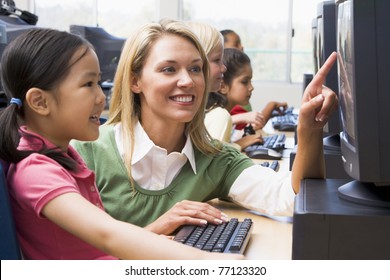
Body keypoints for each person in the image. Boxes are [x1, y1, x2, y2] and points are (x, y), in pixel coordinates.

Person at [72, 20, 338, 237]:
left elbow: (293, 198)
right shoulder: (88, 152)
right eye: (168, 69)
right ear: (134, 81)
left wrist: (309, 129)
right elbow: (70, 259)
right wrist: (157, 229)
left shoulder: (215, 160)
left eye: (196, 69)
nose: (187, 81)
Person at [0, 28, 242, 260]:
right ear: (40, 102)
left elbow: (97, 252)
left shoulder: (63, 156)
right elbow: (107, 235)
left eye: (99, 83)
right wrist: (205, 261)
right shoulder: (36, 171)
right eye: (88, 84)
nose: (99, 97)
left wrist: (158, 228)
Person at [185, 21, 262, 150]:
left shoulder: (199, 111)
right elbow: (214, 161)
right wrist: (239, 145)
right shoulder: (219, 115)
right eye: (216, 60)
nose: (223, 68)